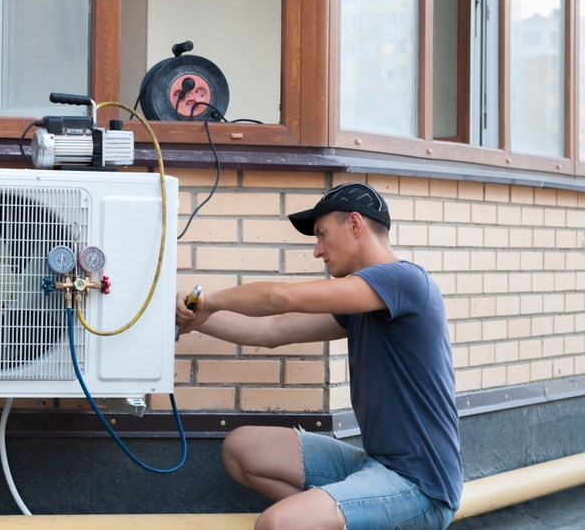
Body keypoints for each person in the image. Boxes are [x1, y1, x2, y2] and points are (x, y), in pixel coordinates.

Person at [176, 182, 462, 530]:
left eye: (322, 234)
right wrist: (200, 320)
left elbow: (282, 298)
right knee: (242, 448)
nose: (317, 250)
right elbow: (273, 331)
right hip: (376, 467)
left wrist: (210, 299)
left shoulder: (404, 280)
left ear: (355, 224)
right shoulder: (361, 303)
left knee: (278, 525)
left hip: (420, 486)